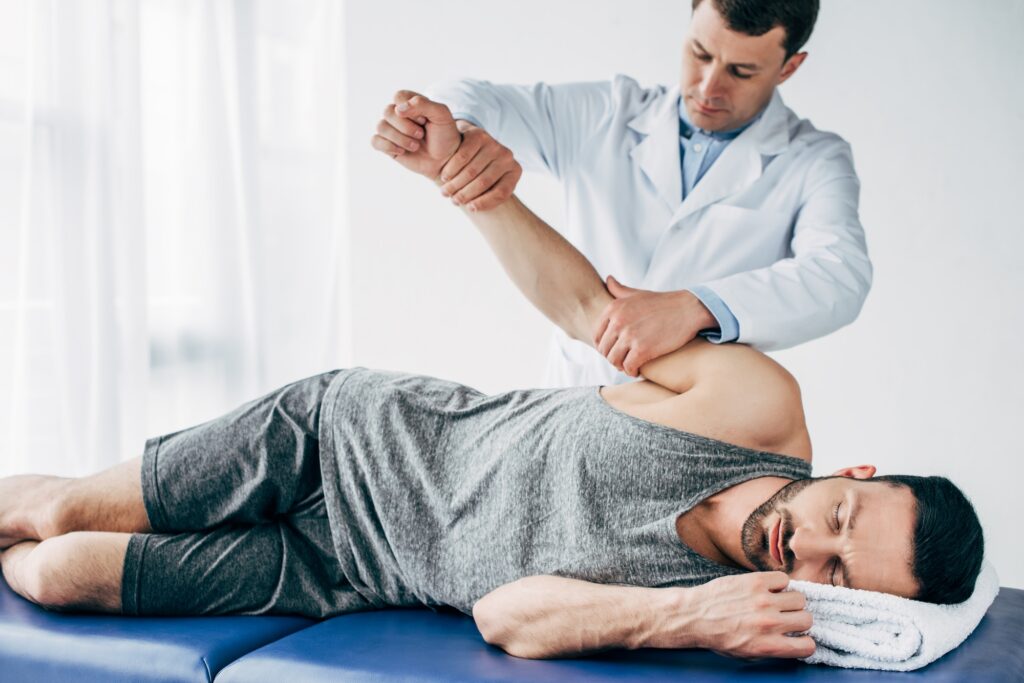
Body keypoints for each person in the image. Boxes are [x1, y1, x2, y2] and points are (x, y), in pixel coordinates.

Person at [0, 120, 983, 662]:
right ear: (849, 470)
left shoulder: (719, 603)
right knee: (55, 506)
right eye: (840, 516)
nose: (807, 546)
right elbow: (583, 307)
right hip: (343, 437)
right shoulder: (753, 408)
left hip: (341, 565)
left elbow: (509, 612)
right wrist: (470, 184)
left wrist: (691, 616)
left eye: (838, 574)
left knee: (58, 571)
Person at [372, 0, 873, 389]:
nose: (708, 85)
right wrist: (461, 129)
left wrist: (695, 306)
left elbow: (840, 276)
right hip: (573, 395)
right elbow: (470, 92)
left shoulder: (814, 160)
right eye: (699, 53)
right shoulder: (608, 112)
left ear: (789, 67)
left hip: (693, 420)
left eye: (741, 72)